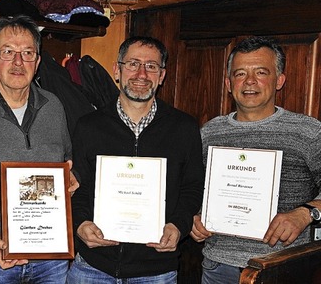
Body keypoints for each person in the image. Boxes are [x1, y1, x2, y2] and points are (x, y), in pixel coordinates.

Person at [68, 36, 205, 283]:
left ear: (161, 76)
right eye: (132, 64)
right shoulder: (88, 126)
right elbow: (78, 186)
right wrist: (80, 224)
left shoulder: (184, 127)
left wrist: (178, 226)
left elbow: (192, 187)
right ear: (117, 70)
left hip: (156, 270)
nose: (141, 73)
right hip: (93, 266)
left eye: (151, 66)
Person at [190, 36, 321, 283]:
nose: (249, 81)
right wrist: (193, 217)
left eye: (261, 72)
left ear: (279, 80)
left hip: (281, 268)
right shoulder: (209, 132)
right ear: (229, 83)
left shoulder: (308, 132)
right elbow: (193, 188)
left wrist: (305, 214)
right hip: (218, 266)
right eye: (240, 74)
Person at [0, 15, 79, 283]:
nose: (18, 61)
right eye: (8, 51)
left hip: (50, 258)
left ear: (38, 62)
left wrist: (69, 181)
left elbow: (65, 161)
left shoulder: (54, 107)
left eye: (28, 53)